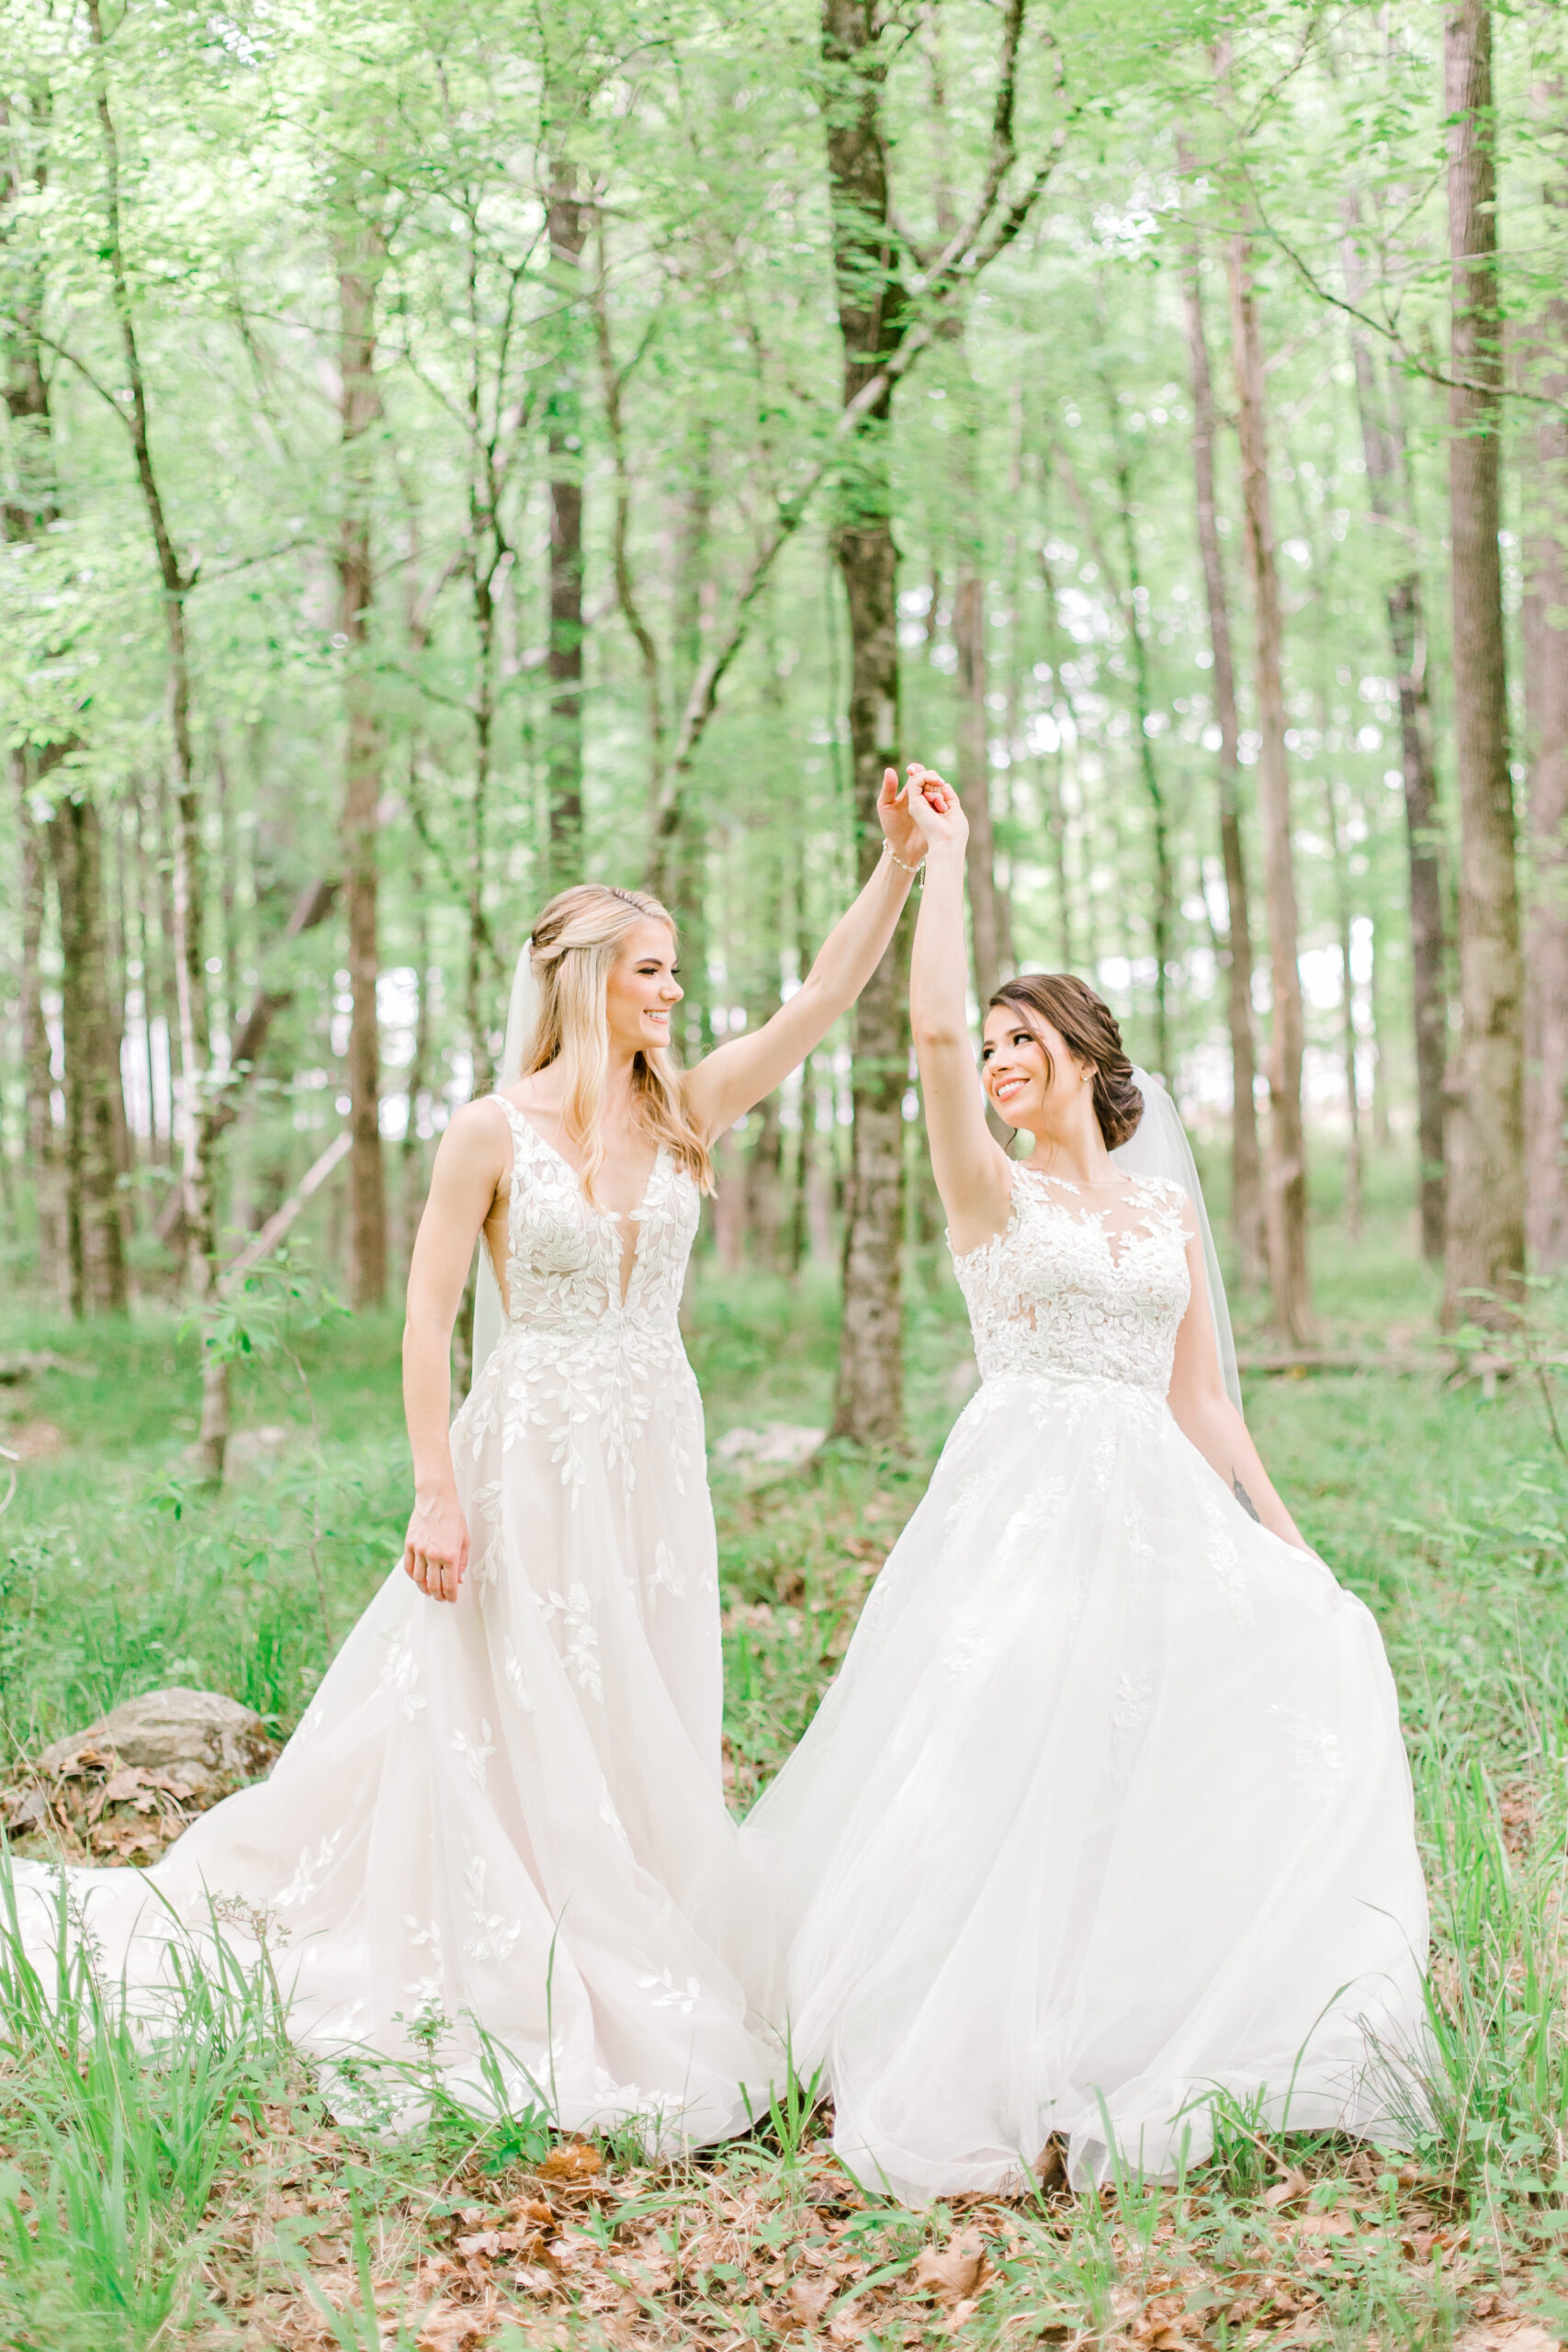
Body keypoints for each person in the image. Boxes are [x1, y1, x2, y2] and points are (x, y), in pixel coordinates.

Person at [5, 773, 931, 2149]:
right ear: (589, 979)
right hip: (526, 1456)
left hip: (651, 1466)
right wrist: (437, 1491)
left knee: (642, 1697)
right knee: (509, 1699)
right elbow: (427, 1321)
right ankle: (519, 1931)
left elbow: (816, 1005)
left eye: (678, 972)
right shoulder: (490, 1132)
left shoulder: (687, 1112)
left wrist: (900, 864)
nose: (675, 994)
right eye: (654, 973)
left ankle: (633, 1896)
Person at [744, 766, 1429, 2201]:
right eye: (989, 1039)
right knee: (1008, 1743)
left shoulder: (1164, 1207)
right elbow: (927, 1030)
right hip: (1023, 1503)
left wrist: (1290, 1547)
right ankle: (972, 2031)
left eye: (1021, 1037)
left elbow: (1204, 1404)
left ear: (1083, 1050)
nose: (994, 1054)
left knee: (1150, 1747)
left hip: (1156, 1507)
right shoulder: (992, 1191)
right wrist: (942, 861)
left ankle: (1122, 2011)